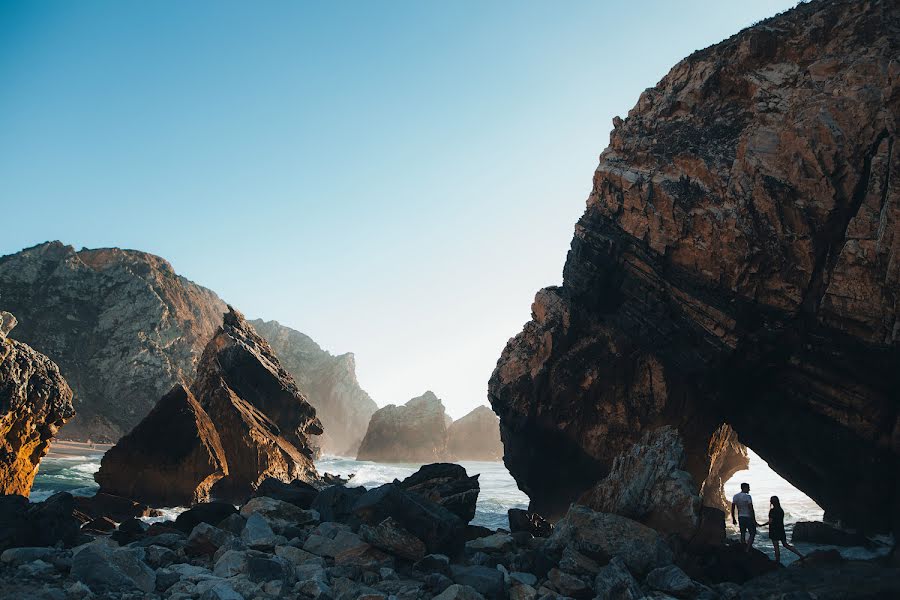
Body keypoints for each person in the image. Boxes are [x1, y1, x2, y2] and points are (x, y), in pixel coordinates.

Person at [761, 496, 804, 563]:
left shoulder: (772, 510)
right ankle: (800, 555)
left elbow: (770, 521)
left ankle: (777, 561)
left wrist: (762, 525)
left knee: (776, 546)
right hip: (781, 529)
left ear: (771, 502)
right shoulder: (781, 510)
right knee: (785, 544)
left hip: (774, 530)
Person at [731, 482, 758, 551]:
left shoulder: (735, 496)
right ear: (744, 488)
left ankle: (743, 547)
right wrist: (754, 519)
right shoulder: (748, 496)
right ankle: (748, 548)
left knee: (743, 533)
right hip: (748, 517)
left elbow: (733, 508)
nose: (749, 489)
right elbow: (751, 508)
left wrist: (733, 518)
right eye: (748, 488)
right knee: (753, 533)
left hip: (740, 517)